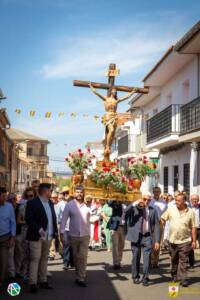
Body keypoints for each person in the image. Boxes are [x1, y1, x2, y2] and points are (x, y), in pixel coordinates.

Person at [25, 183, 58, 293]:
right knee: (35, 259)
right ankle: (32, 283)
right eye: (50, 191)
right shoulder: (32, 203)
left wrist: (55, 232)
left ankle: (43, 281)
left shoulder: (50, 203)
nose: (51, 193)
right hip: (36, 236)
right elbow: (29, 219)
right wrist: (38, 229)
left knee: (44, 259)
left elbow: (53, 218)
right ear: (45, 191)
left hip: (48, 236)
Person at [161, 193, 197, 287]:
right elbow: (163, 218)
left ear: (184, 201)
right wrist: (161, 223)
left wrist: (193, 241)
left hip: (185, 240)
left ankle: (183, 278)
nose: (176, 202)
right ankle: (174, 275)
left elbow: (193, 227)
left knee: (183, 260)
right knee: (174, 260)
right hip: (172, 240)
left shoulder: (191, 212)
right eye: (175, 200)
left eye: (178, 200)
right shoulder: (171, 209)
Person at [125, 194, 160, 286]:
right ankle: (135, 276)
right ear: (141, 199)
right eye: (144, 199)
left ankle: (145, 278)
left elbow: (156, 225)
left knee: (147, 258)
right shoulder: (135, 208)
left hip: (147, 236)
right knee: (136, 257)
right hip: (136, 235)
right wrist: (134, 203)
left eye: (148, 200)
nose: (146, 201)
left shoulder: (153, 210)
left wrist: (157, 240)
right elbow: (125, 212)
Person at [60, 185, 90, 287]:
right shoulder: (70, 205)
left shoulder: (87, 205)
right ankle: (78, 275)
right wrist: (61, 233)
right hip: (73, 235)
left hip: (85, 235)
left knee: (83, 256)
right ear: (74, 193)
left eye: (81, 192)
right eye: (77, 192)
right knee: (76, 257)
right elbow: (63, 219)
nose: (79, 194)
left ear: (83, 193)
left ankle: (81, 277)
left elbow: (95, 215)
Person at [16, 187, 36, 281]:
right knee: (25, 254)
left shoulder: (38, 207)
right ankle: (24, 273)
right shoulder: (22, 207)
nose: (29, 198)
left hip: (34, 232)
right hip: (25, 232)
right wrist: (26, 222)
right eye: (27, 196)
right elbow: (18, 221)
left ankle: (33, 273)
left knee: (33, 254)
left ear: (34, 196)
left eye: (31, 196)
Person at [0, 187, 16, 290]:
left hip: (5, 238)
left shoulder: (9, 207)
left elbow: (13, 222)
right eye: (2, 196)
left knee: (3, 261)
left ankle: (0, 281)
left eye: (5, 195)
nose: (5, 197)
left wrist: (12, 237)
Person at [150, 187, 167, 268]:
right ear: (153, 192)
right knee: (150, 243)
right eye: (155, 191)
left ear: (160, 192)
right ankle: (150, 260)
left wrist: (164, 220)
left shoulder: (164, 202)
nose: (156, 193)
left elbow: (166, 213)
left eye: (158, 191)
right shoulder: (150, 202)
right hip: (150, 224)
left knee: (158, 243)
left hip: (160, 224)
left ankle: (155, 262)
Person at [107, 200, 125, 270]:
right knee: (115, 245)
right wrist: (115, 198)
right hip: (114, 227)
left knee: (122, 245)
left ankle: (119, 261)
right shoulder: (115, 203)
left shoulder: (127, 204)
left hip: (123, 227)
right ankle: (116, 263)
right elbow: (109, 203)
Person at [188, 194, 200, 268]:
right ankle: (191, 263)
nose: (194, 200)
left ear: (198, 200)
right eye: (193, 199)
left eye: (196, 199)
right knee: (191, 246)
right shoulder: (188, 208)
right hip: (191, 229)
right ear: (190, 200)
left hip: (199, 228)